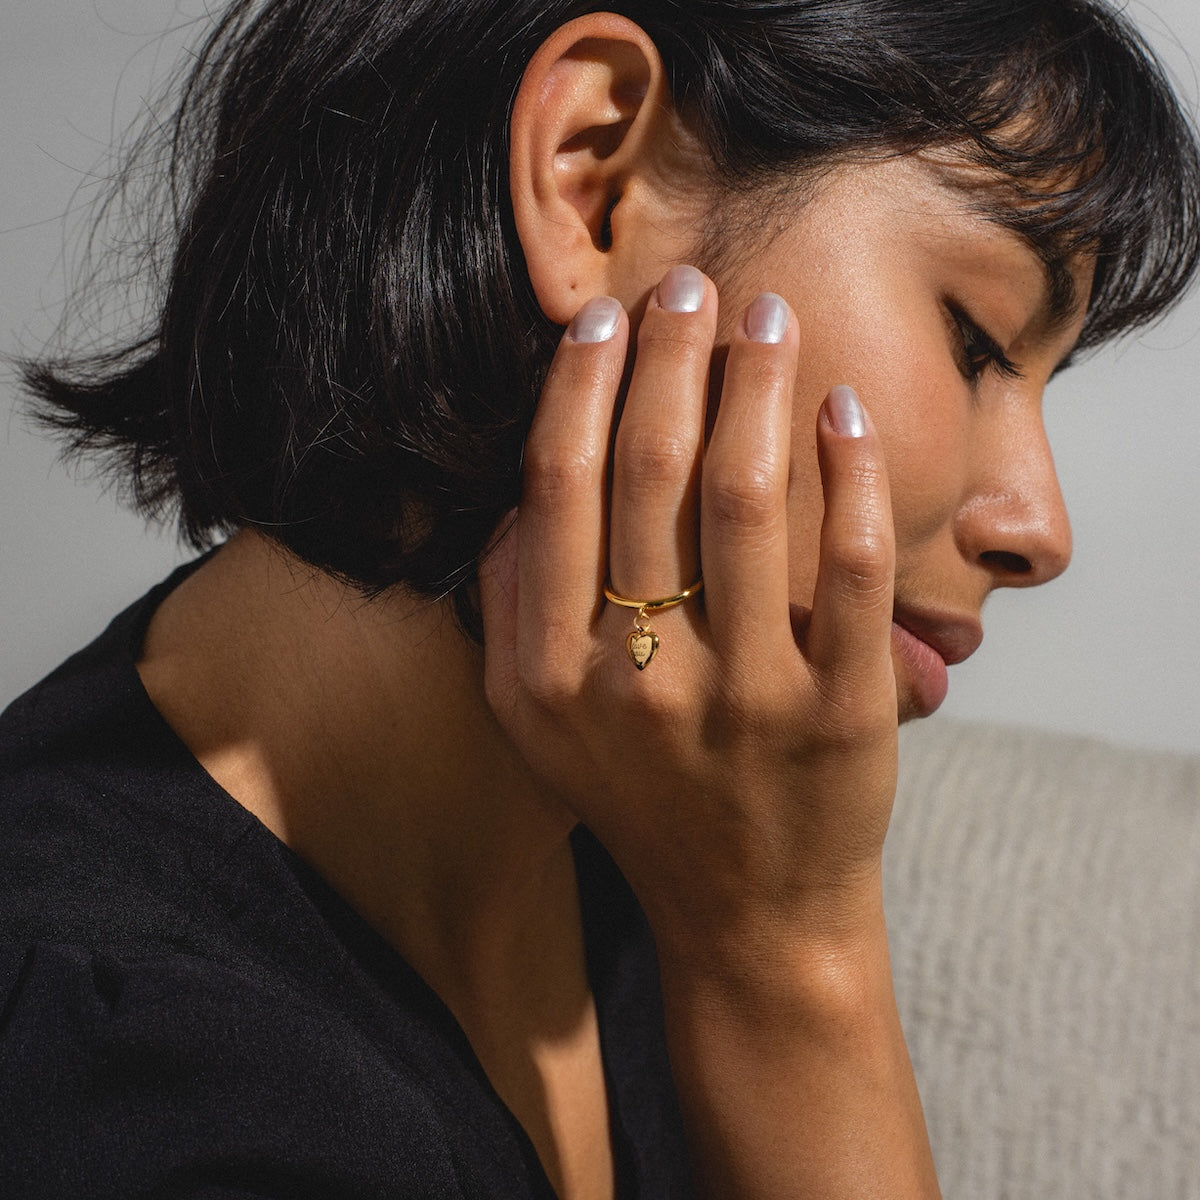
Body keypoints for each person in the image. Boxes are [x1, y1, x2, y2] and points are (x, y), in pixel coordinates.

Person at [2, 1, 1198, 1197]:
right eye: (979, 341)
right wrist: (788, 956)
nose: (1040, 528)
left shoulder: (667, 798)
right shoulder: (134, 1083)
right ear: (594, 181)